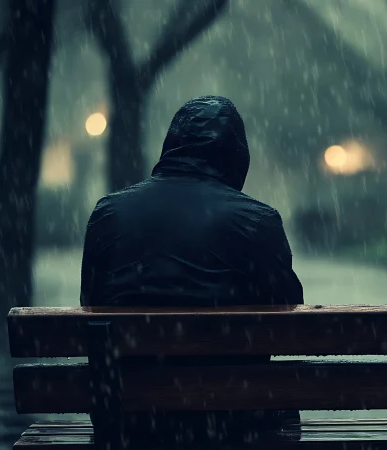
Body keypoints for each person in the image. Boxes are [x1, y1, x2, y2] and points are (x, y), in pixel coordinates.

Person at [79, 96, 304, 444]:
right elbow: (288, 325)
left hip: (129, 424)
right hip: (234, 425)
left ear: (171, 146)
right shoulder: (258, 222)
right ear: (236, 154)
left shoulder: (109, 215)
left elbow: (90, 307)